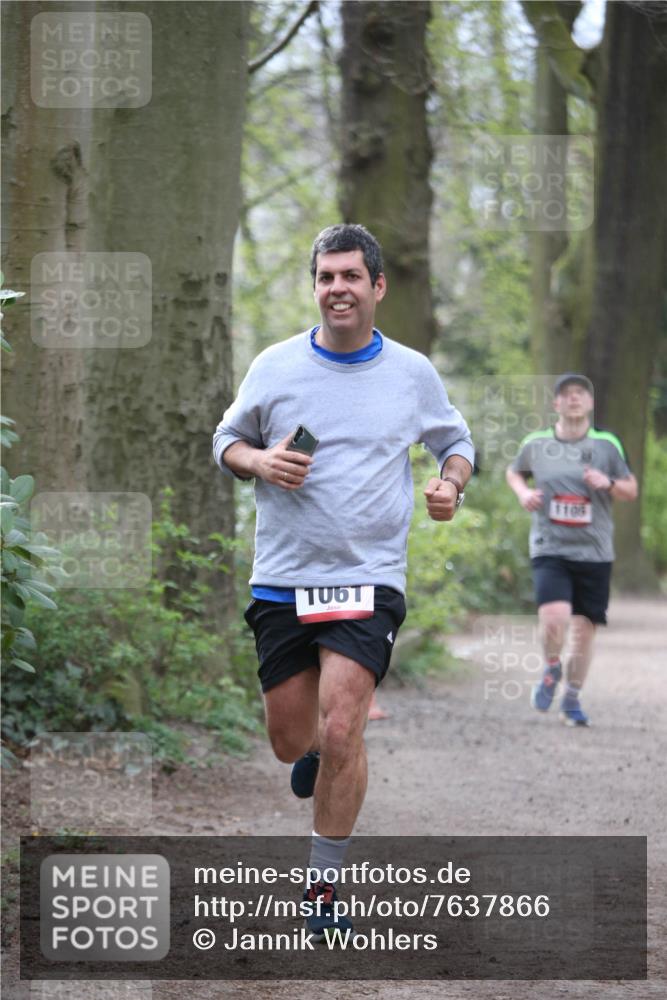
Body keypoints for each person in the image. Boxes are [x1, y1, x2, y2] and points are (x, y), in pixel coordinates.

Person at [212, 223, 474, 940]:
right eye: (326, 277)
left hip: (368, 577)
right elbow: (224, 440)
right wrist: (258, 461)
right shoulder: (275, 366)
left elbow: (456, 444)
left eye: (351, 276)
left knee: (341, 723)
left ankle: (322, 890)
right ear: (315, 286)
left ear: (377, 286)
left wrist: (450, 485)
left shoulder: (412, 374)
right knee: (291, 739)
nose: (337, 289)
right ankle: (319, 756)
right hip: (284, 579)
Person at [506, 374, 638, 727]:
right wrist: (523, 494)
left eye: (581, 393)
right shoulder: (536, 443)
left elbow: (631, 490)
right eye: (566, 394)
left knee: (584, 630)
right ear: (556, 404)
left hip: (595, 552)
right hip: (550, 547)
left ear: (590, 404)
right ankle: (551, 668)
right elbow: (514, 472)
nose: (574, 398)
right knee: (553, 618)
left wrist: (607, 483)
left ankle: (573, 698)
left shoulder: (607, 445)